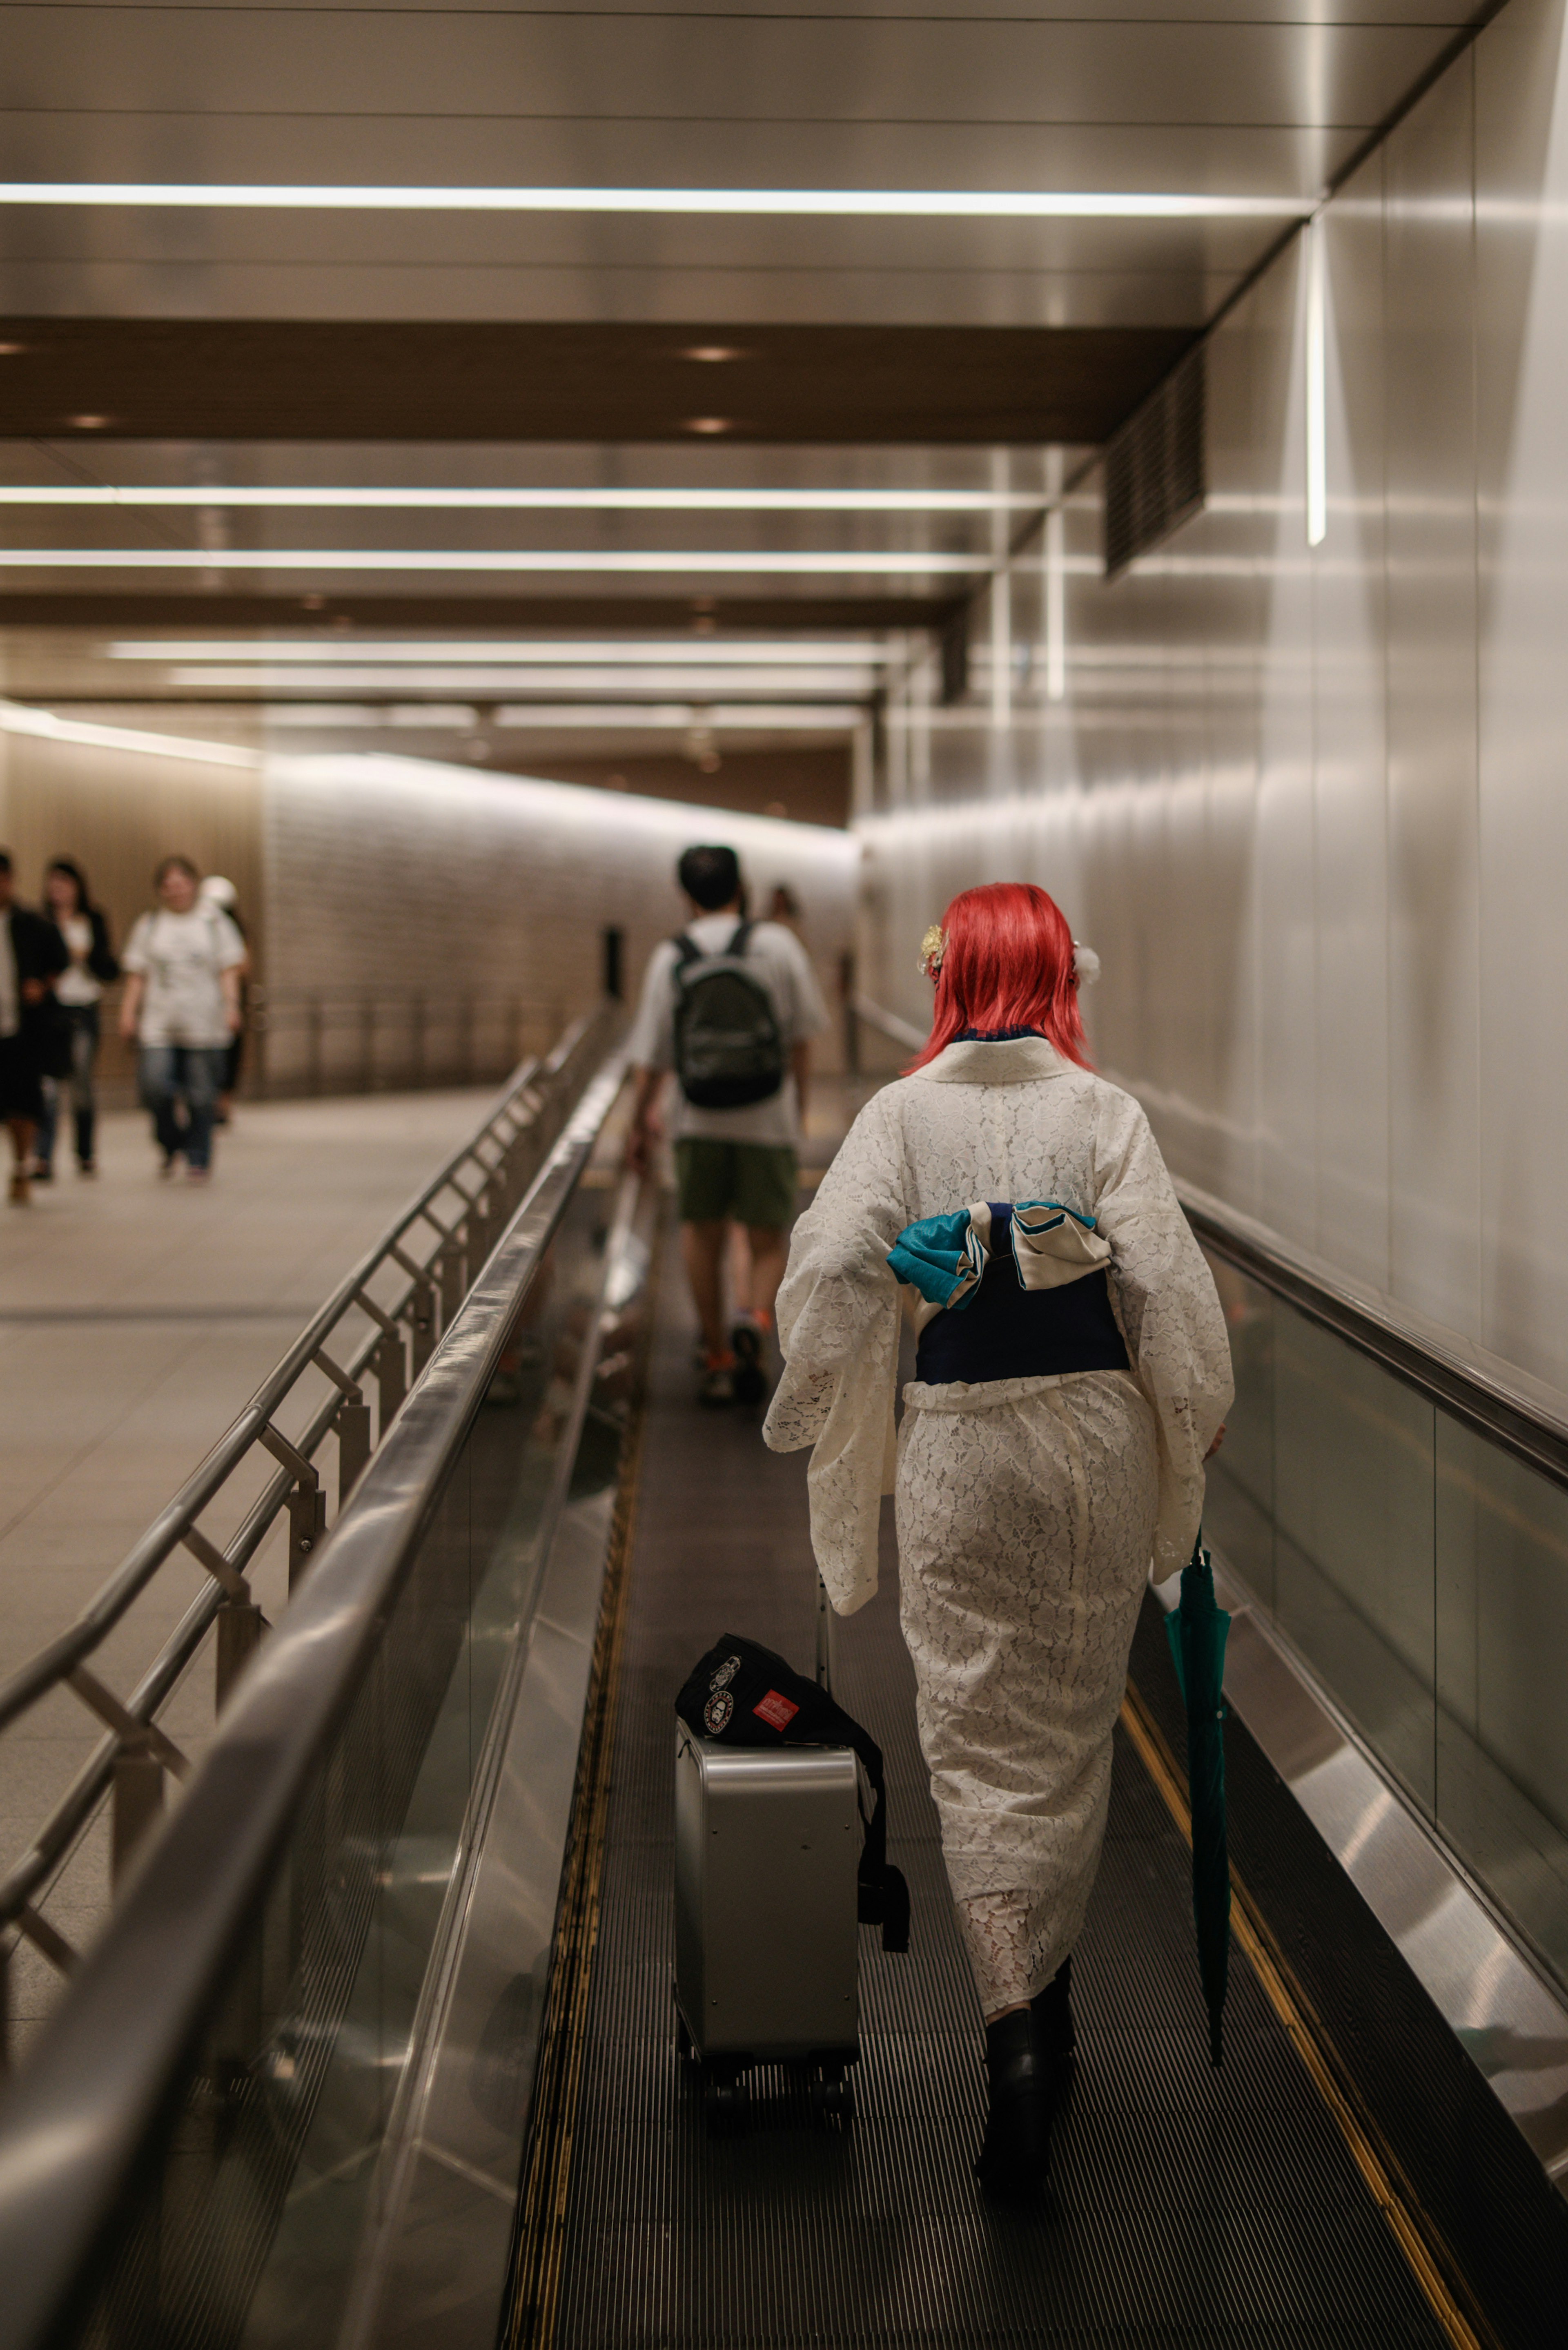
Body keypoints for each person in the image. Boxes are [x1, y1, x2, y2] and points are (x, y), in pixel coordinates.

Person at [762, 882, 1232, 2200]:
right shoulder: (1104, 1113)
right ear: (1060, 981)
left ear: (948, 977)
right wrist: (1191, 1417)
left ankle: (1015, 2041)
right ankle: (1055, 2003)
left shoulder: (897, 1116)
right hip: (1089, 1453)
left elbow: (820, 1286)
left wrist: (894, 1281)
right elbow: (1172, 1300)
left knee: (978, 1740)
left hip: (963, 1445)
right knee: (1071, 1737)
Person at [626, 843, 828, 1406]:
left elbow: (653, 1058)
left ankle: (716, 1356)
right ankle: (755, 1319)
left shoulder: (672, 956)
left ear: (686, 895)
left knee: (701, 1233)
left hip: (697, 1119)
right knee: (765, 1238)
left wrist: (636, 1127)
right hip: (766, 1117)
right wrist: (797, 1108)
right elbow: (803, 1039)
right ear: (742, 888)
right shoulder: (778, 945)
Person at [119, 855, 246, 1183]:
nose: (176, 891)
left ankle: (199, 1156)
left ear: (194, 885)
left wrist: (233, 1007)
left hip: (205, 1022)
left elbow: (229, 969)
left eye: (182, 883)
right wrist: (128, 1012)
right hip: (159, 1023)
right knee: (155, 1087)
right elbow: (137, 975)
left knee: (202, 1095)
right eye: (168, 886)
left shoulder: (214, 922)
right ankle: (172, 1141)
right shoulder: (150, 925)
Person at [33, 858, 118, 1181]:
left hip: (84, 1010)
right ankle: (43, 1157)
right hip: (52, 1011)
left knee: (81, 1083)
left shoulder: (93, 920)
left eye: (64, 883)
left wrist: (85, 955)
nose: (58, 890)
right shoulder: (41, 921)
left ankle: (84, 1152)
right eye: (52, 884)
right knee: (48, 1086)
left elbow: (109, 967)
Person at [0, 850, 69, 1206]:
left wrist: (42, 985)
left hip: (20, 1029)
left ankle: (21, 1165)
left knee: (22, 1104)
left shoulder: (31, 922)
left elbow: (61, 959)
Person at [198, 875, 251, 1124]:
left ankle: (223, 1103)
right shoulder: (199, 925)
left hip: (229, 1000)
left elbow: (243, 966)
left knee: (229, 1055)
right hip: (202, 1002)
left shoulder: (236, 931)